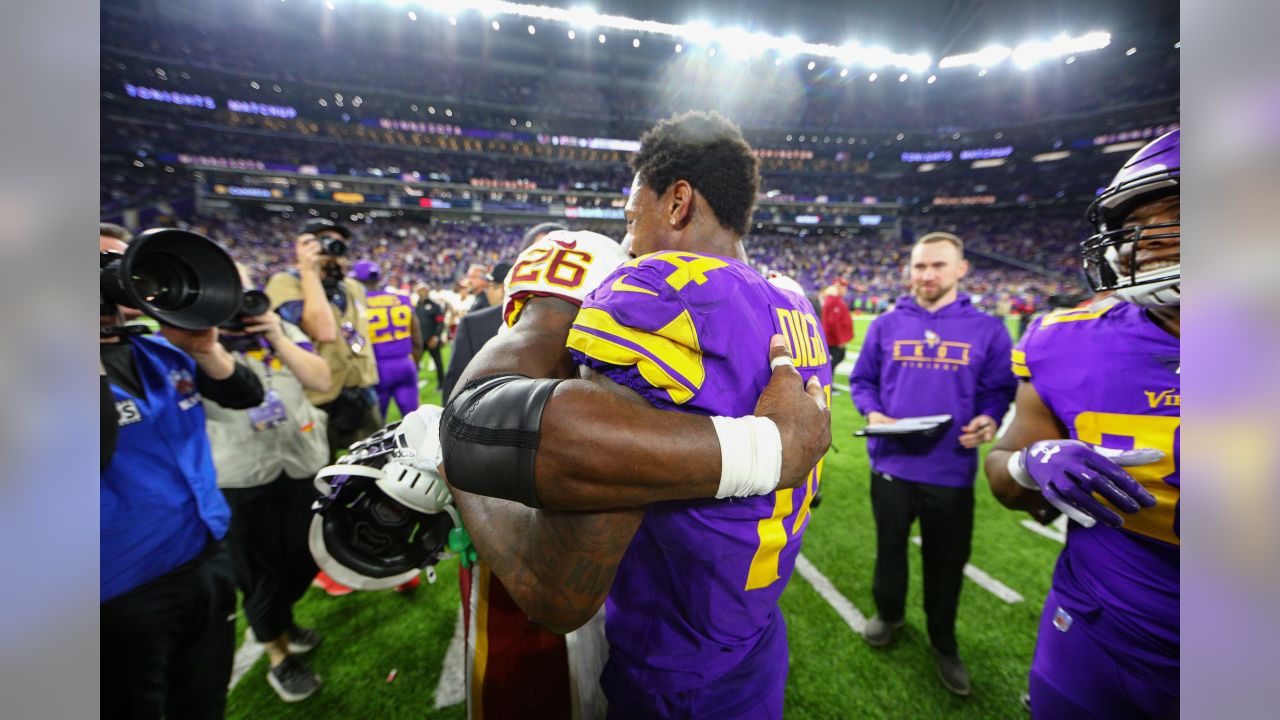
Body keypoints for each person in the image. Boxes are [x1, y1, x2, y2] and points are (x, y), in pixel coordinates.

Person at [439, 110, 833, 718]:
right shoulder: (792, 303)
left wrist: (447, 463)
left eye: (631, 217)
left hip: (672, 661)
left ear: (677, 203)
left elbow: (556, 589)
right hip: (754, 640)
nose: (627, 242)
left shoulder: (659, 289)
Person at [984, 130, 1180, 719]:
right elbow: (1004, 475)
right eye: (1132, 224)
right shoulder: (1063, 339)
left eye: (1171, 216)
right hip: (1099, 628)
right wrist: (1031, 463)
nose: (1142, 242)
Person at [100, 232, 265, 720]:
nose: (119, 279)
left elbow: (245, 394)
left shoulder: (164, 353)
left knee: (204, 700)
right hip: (118, 589)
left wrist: (204, 346)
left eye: (122, 263)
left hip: (206, 555)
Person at [848, 231, 1017, 696]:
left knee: (946, 563)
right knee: (889, 550)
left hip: (949, 469)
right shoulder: (886, 325)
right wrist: (873, 411)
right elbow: (863, 381)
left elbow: (999, 390)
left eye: (937, 266)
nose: (926, 275)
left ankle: (943, 642)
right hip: (891, 465)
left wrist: (988, 417)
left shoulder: (988, 329)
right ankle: (889, 614)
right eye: (920, 266)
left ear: (961, 269)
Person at [205, 263, 332, 703]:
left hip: (299, 462)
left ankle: (283, 620)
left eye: (243, 286)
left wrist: (276, 335)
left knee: (305, 555)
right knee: (258, 574)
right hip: (242, 472)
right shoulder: (197, 339)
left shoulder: (279, 328)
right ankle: (279, 657)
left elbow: (320, 378)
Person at [264, 219, 380, 458]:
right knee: (319, 472)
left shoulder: (352, 287)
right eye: (324, 241)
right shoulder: (285, 282)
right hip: (316, 398)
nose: (332, 249)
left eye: (339, 243)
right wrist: (308, 270)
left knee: (375, 467)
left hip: (361, 392)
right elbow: (322, 331)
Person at [351, 259, 423, 419]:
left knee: (376, 425)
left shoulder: (357, 304)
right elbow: (417, 339)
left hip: (377, 367)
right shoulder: (401, 299)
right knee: (416, 420)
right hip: (405, 364)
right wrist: (414, 363)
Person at [440, 262, 509, 402]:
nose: (488, 292)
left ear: (502, 289)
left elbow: (457, 378)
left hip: (483, 408)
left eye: (490, 287)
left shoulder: (474, 322)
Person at [414, 283, 447, 392]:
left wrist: (436, 337)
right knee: (414, 364)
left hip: (431, 339)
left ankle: (442, 385)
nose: (422, 292)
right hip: (419, 341)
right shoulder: (414, 306)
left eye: (424, 290)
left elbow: (440, 323)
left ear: (428, 291)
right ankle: (413, 384)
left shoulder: (435, 305)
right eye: (420, 290)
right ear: (417, 292)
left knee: (438, 362)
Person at [822, 278, 854, 379]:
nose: (845, 290)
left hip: (832, 338)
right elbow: (833, 322)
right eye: (843, 287)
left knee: (837, 358)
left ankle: (828, 381)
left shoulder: (834, 299)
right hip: (833, 339)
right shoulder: (834, 301)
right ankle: (827, 382)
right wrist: (840, 340)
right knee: (834, 360)